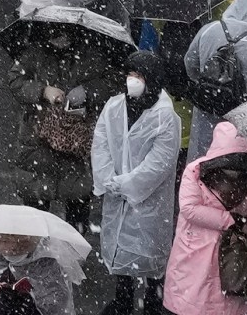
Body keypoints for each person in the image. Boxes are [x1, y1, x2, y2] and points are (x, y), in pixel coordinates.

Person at [91, 51, 181, 315]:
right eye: (130, 74)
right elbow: (101, 142)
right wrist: (108, 178)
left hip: (150, 198)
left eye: (139, 76)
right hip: (117, 192)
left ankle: (154, 301)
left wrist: (126, 184)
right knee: (120, 246)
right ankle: (123, 299)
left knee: (151, 252)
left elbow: (159, 164)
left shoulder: (165, 116)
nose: (132, 81)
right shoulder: (115, 106)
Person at [163, 123, 247, 315]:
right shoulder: (195, 171)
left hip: (234, 260)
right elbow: (190, 209)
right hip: (197, 259)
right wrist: (229, 220)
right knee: (193, 304)